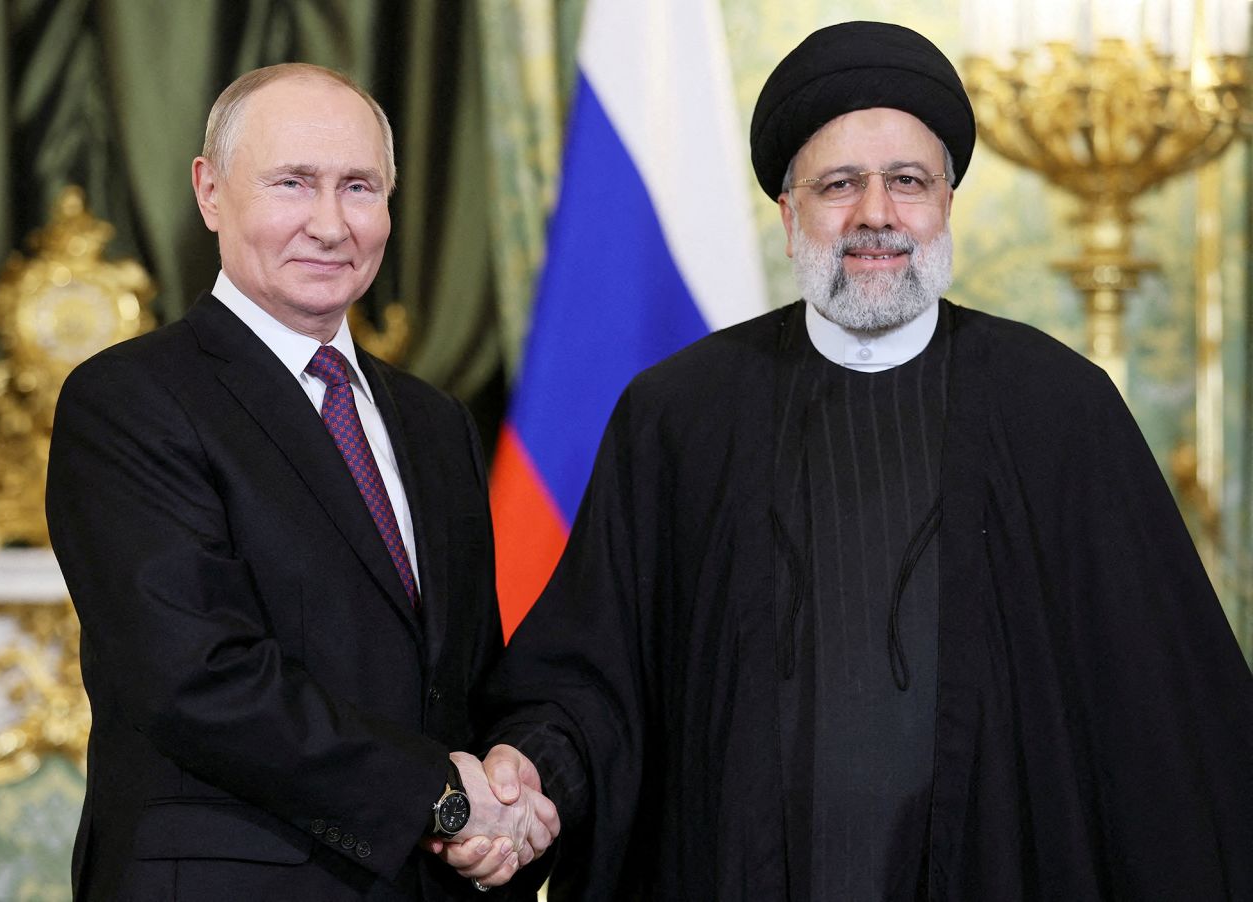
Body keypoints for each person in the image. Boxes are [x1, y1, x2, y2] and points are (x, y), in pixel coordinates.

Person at [440, 21, 1253, 901]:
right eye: (839, 185)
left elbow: (1162, 712)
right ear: (789, 213)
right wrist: (535, 783)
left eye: (908, 181)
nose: (876, 214)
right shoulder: (681, 415)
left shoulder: (1059, 409)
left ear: (946, 202)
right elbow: (596, 676)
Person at [46, 63, 557, 900]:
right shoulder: (129, 400)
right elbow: (196, 678)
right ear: (210, 193)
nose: (330, 223)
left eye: (359, 187)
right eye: (293, 183)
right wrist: (441, 800)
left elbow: (463, 680)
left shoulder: (435, 423)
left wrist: (517, 784)